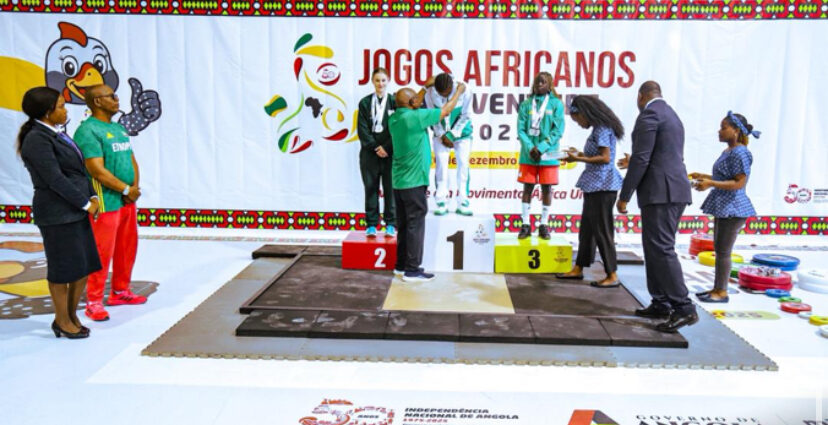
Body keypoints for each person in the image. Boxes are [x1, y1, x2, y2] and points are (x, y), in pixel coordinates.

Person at [17, 86, 102, 338]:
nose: (66, 110)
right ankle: (62, 320)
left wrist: (93, 196)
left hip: (75, 210)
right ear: (47, 112)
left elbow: (78, 171)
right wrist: (85, 203)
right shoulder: (36, 139)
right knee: (63, 269)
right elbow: (55, 179)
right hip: (57, 214)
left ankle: (71, 315)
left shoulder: (57, 134)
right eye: (61, 106)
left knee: (82, 266)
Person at [617, 81, 696, 333]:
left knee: (661, 249)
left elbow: (642, 159)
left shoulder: (649, 114)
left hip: (662, 192)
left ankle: (684, 308)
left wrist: (625, 195)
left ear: (641, 96)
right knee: (653, 248)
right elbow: (660, 154)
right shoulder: (671, 114)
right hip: (670, 189)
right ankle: (661, 302)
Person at [74, 84, 146, 322]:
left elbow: (131, 160)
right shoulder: (87, 131)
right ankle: (93, 301)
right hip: (105, 200)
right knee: (102, 251)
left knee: (127, 248)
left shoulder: (118, 128)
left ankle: (120, 292)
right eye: (112, 96)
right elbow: (96, 170)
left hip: (126, 199)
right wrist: (125, 189)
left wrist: (133, 189)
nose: (117, 100)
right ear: (97, 101)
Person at [389, 84, 464, 282]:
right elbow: (446, 110)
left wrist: (424, 87)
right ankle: (412, 270)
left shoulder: (394, 118)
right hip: (414, 183)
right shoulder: (415, 117)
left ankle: (401, 266)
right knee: (415, 225)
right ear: (412, 103)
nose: (419, 99)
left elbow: (411, 100)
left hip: (399, 182)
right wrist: (459, 91)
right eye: (416, 98)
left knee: (404, 225)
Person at [556, 95, 624, 288]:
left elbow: (605, 158)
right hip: (596, 185)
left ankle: (612, 274)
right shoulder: (600, 128)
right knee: (587, 230)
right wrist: (579, 154)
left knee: (602, 230)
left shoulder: (601, 129)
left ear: (584, 113)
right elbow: (598, 155)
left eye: (577, 119)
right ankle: (579, 268)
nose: (578, 124)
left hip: (603, 185)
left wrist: (578, 159)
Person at [690, 112, 759, 303]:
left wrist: (711, 183)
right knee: (720, 249)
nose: (719, 131)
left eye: (723, 127)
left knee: (723, 251)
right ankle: (717, 288)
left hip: (733, 207)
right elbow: (725, 177)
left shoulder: (740, 152)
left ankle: (722, 291)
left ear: (736, 130)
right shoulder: (729, 151)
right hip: (725, 206)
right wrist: (705, 176)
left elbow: (739, 183)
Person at [516, 72, 565, 240]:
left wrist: (542, 147)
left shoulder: (556, 104)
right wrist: (531, 148)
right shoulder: (526, 104)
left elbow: (558, 130)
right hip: (528, 155)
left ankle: (544, 224)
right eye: (537, 82)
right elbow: (520, 130)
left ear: (550, 85)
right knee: (527, 188)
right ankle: (525, 224)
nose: (539, 84)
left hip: (548, 155)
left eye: (543, 82)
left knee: (547, 189)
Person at [425, 73, 474, 216]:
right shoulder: (430, 91)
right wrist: (442, 134)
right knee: (441, 167)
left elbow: (466, 115)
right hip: (440, 135)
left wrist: (452, 135)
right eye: (440, 93)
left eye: (446, 93)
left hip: (462, 134)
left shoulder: (465, 89)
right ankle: (441, 202)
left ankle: (463, 202)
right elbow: (432, 115)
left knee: (463, 166)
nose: (443, 95)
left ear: (452, 86)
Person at [357, 67, 396, 238]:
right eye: (377, 80)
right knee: (371, 188)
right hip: (370, 154)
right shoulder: (365, 103)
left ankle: (390, 224)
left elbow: (398, 128)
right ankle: (371, 225)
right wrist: (375, 147)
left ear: (388, 81)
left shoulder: (394, 102)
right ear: (372, 81)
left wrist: (387, 147)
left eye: (383, 80)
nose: (380, 84)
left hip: (389, 153)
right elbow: (362, 130)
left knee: (390, 189)